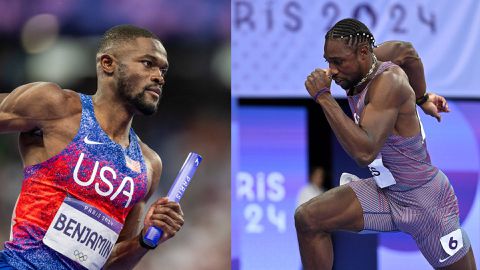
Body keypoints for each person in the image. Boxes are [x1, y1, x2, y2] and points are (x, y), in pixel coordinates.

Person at [295, 18, 477, 270]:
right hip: (385, 192)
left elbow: (364, 151)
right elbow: (407, 51)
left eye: (337, 62)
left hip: (425, 204)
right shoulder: (366, 62)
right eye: (328, 61)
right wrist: (423, 97)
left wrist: (324, 97)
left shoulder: (388, 82)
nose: (331, 70)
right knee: (308, 219)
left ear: (362, 53)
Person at [0, 25, 185, 269]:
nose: (159, 77)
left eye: (163, 69)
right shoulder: (57, 107)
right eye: (148, 63)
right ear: (108, 63)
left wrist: (144, 240)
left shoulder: (148, 165)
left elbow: (110, 264)